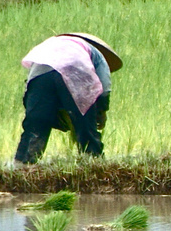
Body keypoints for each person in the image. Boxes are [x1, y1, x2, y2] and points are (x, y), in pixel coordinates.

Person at [14, 33, 122, 164]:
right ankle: (93, 161)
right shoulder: (98, 55)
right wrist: (101, 112)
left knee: (36, 125)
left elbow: (34, 89)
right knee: (85, 125)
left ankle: (22, 165)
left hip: (40, 72)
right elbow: (104, 88)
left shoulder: (53, 43)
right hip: (75, 68)